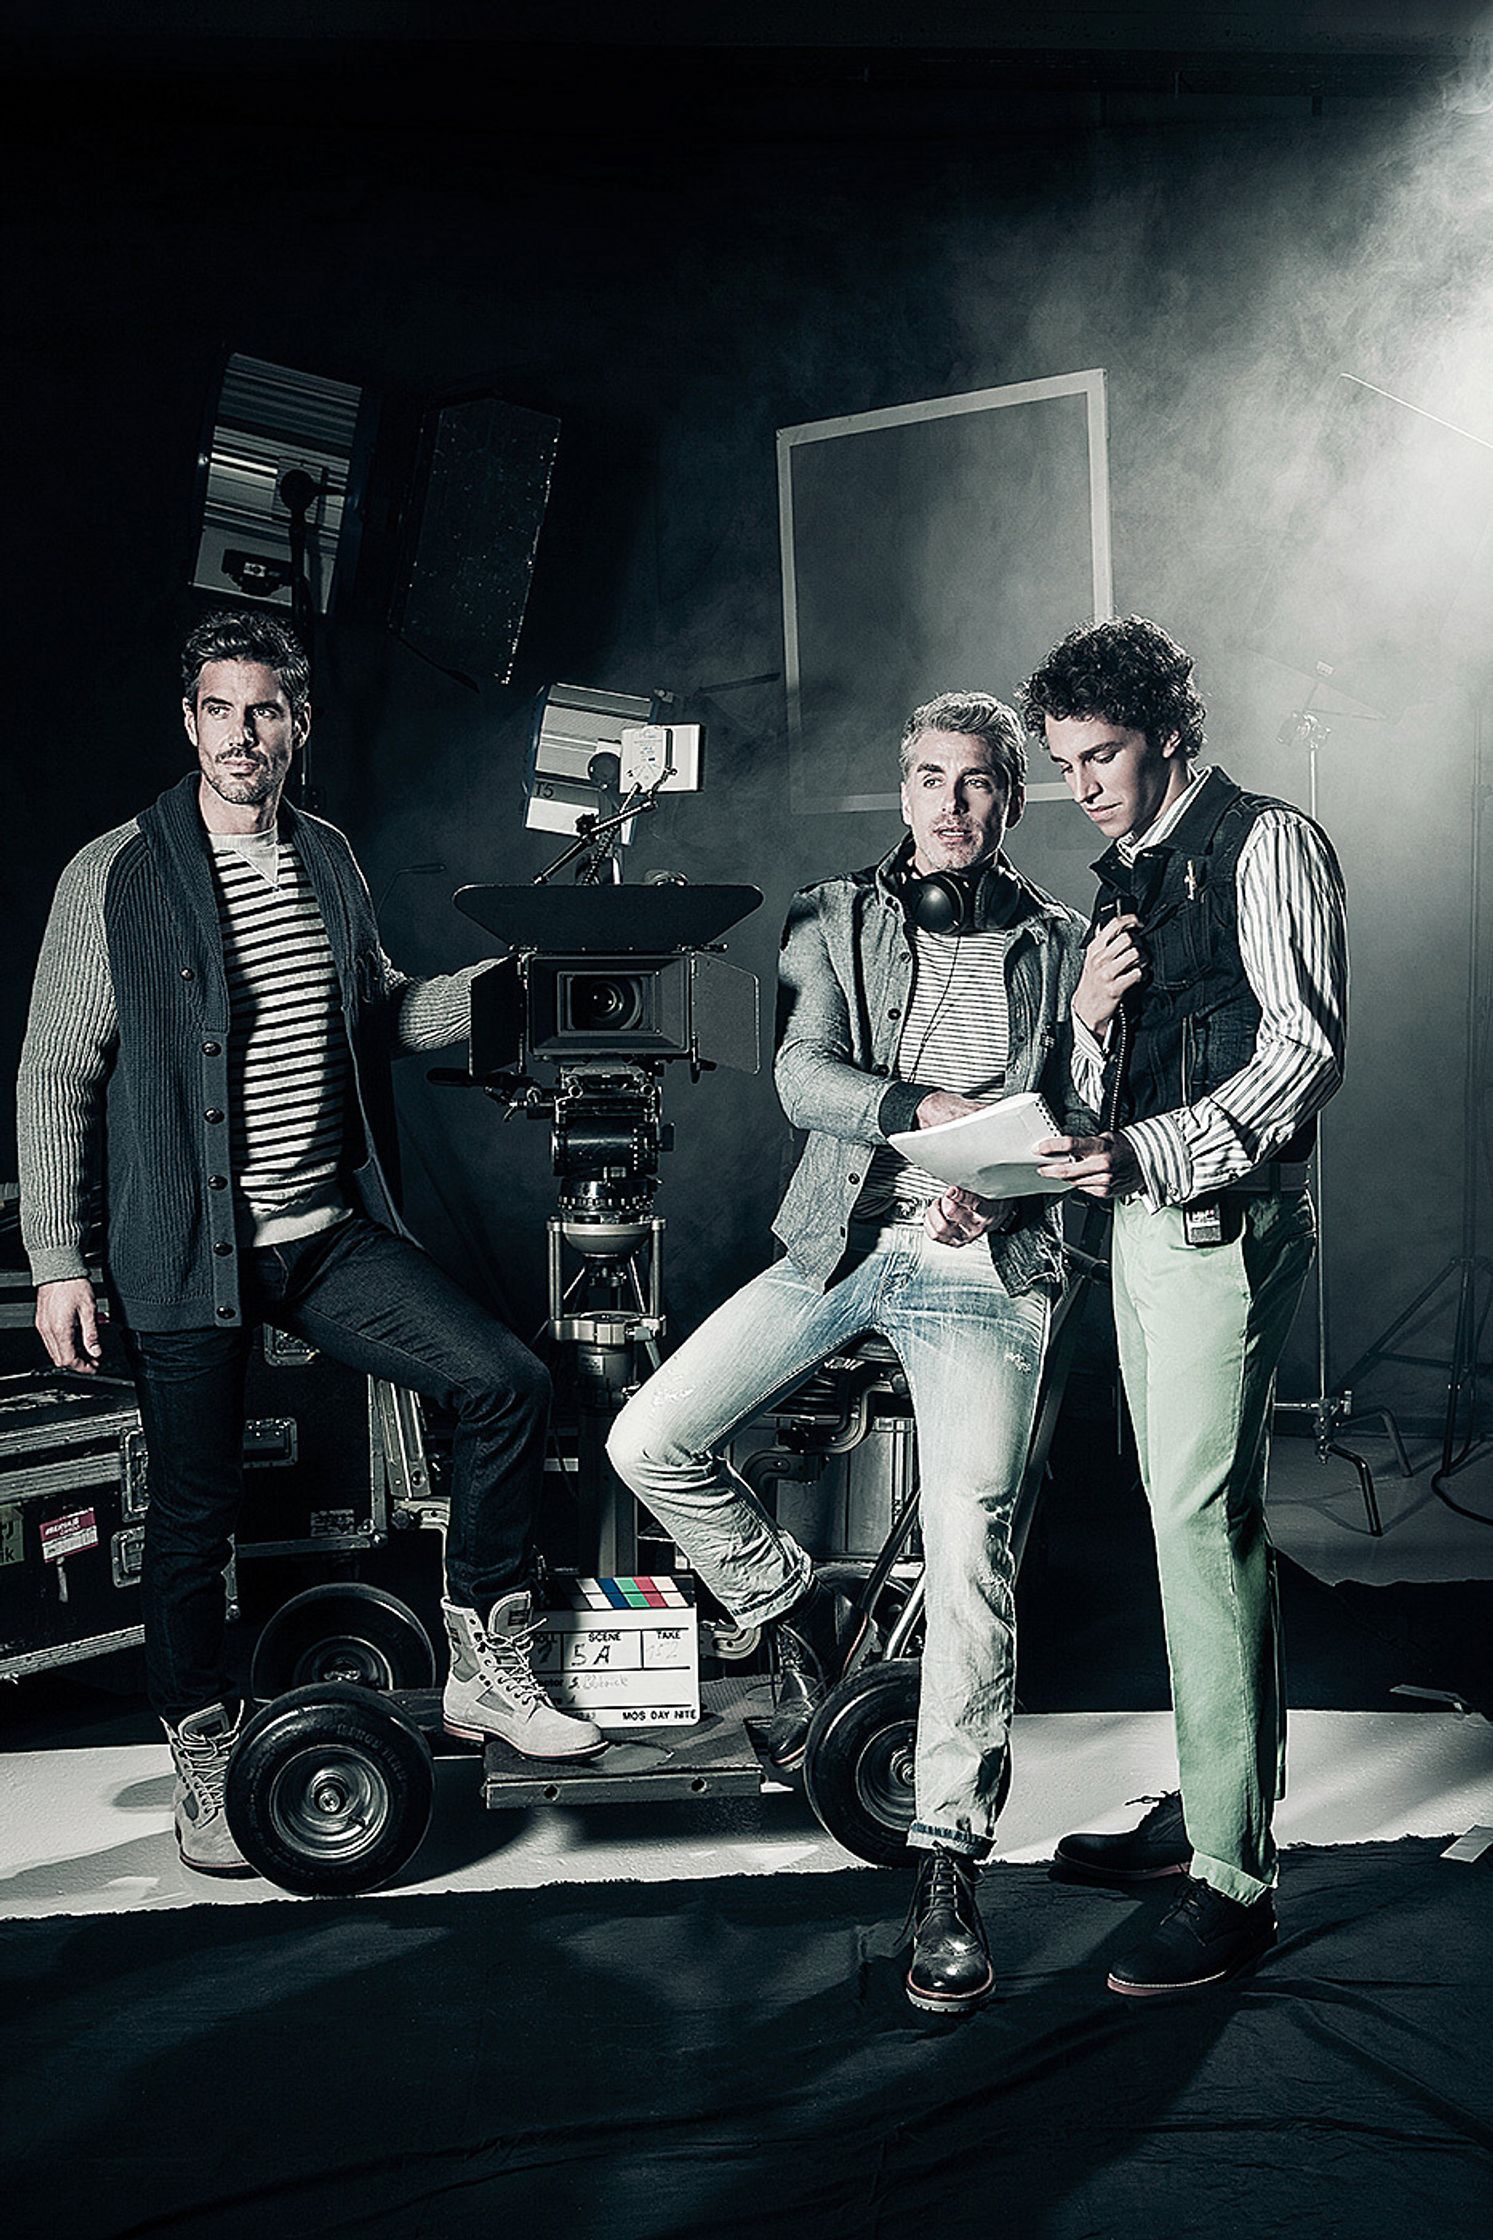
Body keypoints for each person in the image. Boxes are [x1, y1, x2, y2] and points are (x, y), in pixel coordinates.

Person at [17, 610, 602, 1878]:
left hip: (326, 1236)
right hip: (186, 1248)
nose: (244, 732)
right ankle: (200, 1745)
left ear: (299, 724)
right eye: (220, 708)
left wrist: (501, 984)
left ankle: (479, 1662)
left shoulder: (326, 855)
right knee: (192, 1516)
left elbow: (379, 1014)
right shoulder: (111, 873)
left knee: (503, 1381)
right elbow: (56, 1069)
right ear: (189, 723)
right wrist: (60, 1255)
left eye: (267, 709)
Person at [606, 691, 1090, 2014]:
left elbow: (1085, 1105)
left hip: (990, 1271)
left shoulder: (1063, 941)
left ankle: (944, 1865)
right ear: (902, 790)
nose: (949, 803)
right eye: (928, 776)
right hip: (843, 1243)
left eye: (977, 782)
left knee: (971, 1539)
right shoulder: (836, 915)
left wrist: (1002, 1180)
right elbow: (802, 1076)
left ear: (1009, 799)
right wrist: (921, 1115)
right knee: (646, 1438)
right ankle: (790, 1600)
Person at [1017, 614, 1348, 1996]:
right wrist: (1089, 1023)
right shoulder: (1125, 876)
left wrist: (1148, 1151)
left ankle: (1233, 1879)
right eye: (1065, 764)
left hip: (1218, 1221)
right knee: (1190, 1525)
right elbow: (1106, 1095)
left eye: (1100, 756)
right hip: (1145, 1232)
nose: (1080, 785)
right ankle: (1220, 1805)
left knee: (1203, 1525)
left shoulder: (1269, 843)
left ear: (1163, 735)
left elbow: (1305, 1052)